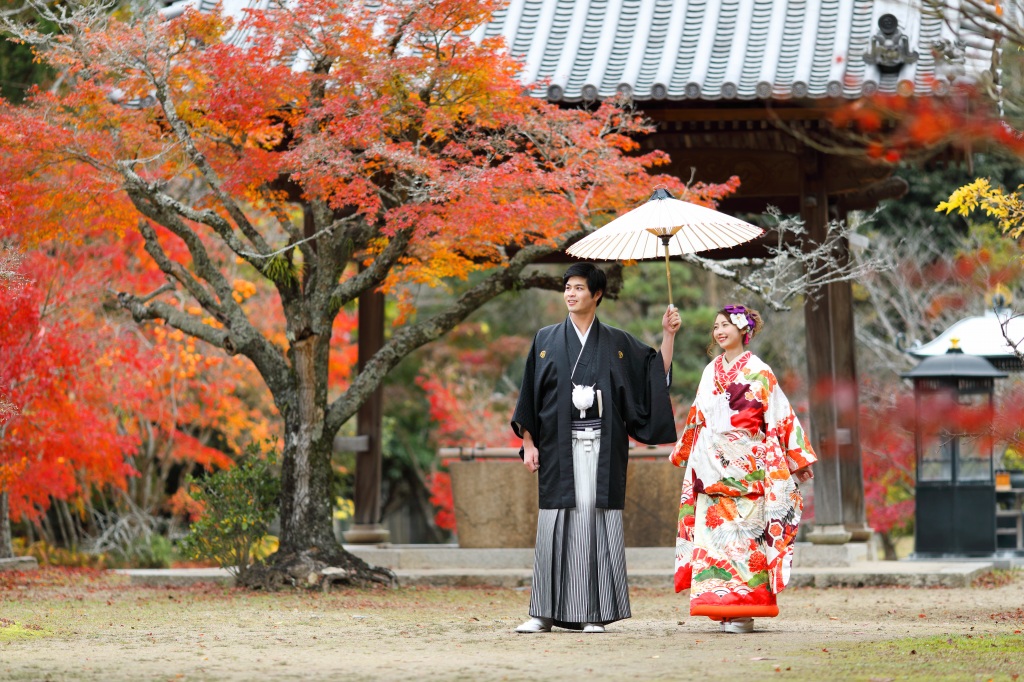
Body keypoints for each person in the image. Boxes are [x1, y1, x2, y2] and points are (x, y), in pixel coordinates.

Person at [511, 263, 680, 634]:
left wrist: (668, 336)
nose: (571, 294)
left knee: (595, 522)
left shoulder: (618, 343)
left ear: (597, 294)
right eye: (567, 287)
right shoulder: (545, 339)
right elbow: (529, 394)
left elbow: (652, 376)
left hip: (602, 446)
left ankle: (594, 612)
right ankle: (542, 612)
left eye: (579, 288)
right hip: (557, 446)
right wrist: (528, 441)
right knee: (554, 524)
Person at [670, 305, 815, 634]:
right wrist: (684, 451)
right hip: (710, 465)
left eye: (726, 325)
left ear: (743, 331)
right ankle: (722, 608)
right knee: (714, 540)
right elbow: (697, 415)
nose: (719, 331)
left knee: (744, 539)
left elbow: (779, 416)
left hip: (747, 464)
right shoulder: (710, 371)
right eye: (716, 326)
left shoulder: (760, 371)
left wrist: (797, 460)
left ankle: (745, 611)